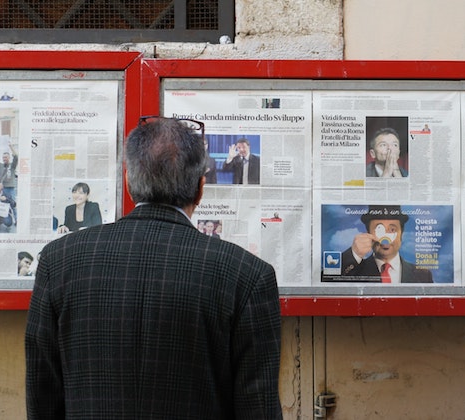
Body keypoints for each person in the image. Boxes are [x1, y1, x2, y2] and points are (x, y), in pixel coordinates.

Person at [26, 117, 283, 419]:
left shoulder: (58, 261)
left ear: (128, 183)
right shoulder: (247, 275)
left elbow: (42, 395)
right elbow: (258, 409)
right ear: (201, 189)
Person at [339, 205, 432, 283]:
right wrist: (354, 254)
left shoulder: (423, 275)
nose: (385, 239)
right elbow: (326, 280)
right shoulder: (352, 271)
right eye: (379, 230)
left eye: (392, 230)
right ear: (368, 233)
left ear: (401, 234)